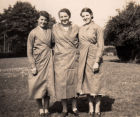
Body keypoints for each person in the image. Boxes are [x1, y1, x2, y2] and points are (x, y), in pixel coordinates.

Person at [27, 11, 55, 117]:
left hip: (49, 62)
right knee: (37, 86)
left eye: (45, 20)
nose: (43, 22)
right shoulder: (32, 33)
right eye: (41, 19)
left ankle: (47, 109)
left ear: (48, 21)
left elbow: (53, 44)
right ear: (38, 20)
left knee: (47, 87)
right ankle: (40, 109)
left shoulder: (50, 32)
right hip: (38, 62)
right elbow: (29, 51)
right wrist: (33, 66)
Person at [77, 8, 104, 117]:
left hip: (94, 57)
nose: (85, 17)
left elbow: (101, 46)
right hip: (83, 58)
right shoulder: (80, 29)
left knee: (97, 82)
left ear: (91, 15)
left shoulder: (98, 28)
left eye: (87, 15)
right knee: (87, 82)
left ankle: (97, 106)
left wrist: (97, 61)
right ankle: (90, 106)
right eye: (83, 16)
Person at [52, 8, 79, 117]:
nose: (64, 18)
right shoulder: (54, 27)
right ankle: (64, 109)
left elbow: (82, 41)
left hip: (73, 59)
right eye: (61, 16)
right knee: (62, 84)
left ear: (69, 16)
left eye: (65, 16)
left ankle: (74, 108)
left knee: (73, 83)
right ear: (59, 18)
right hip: (60, 60)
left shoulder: (76, 27)